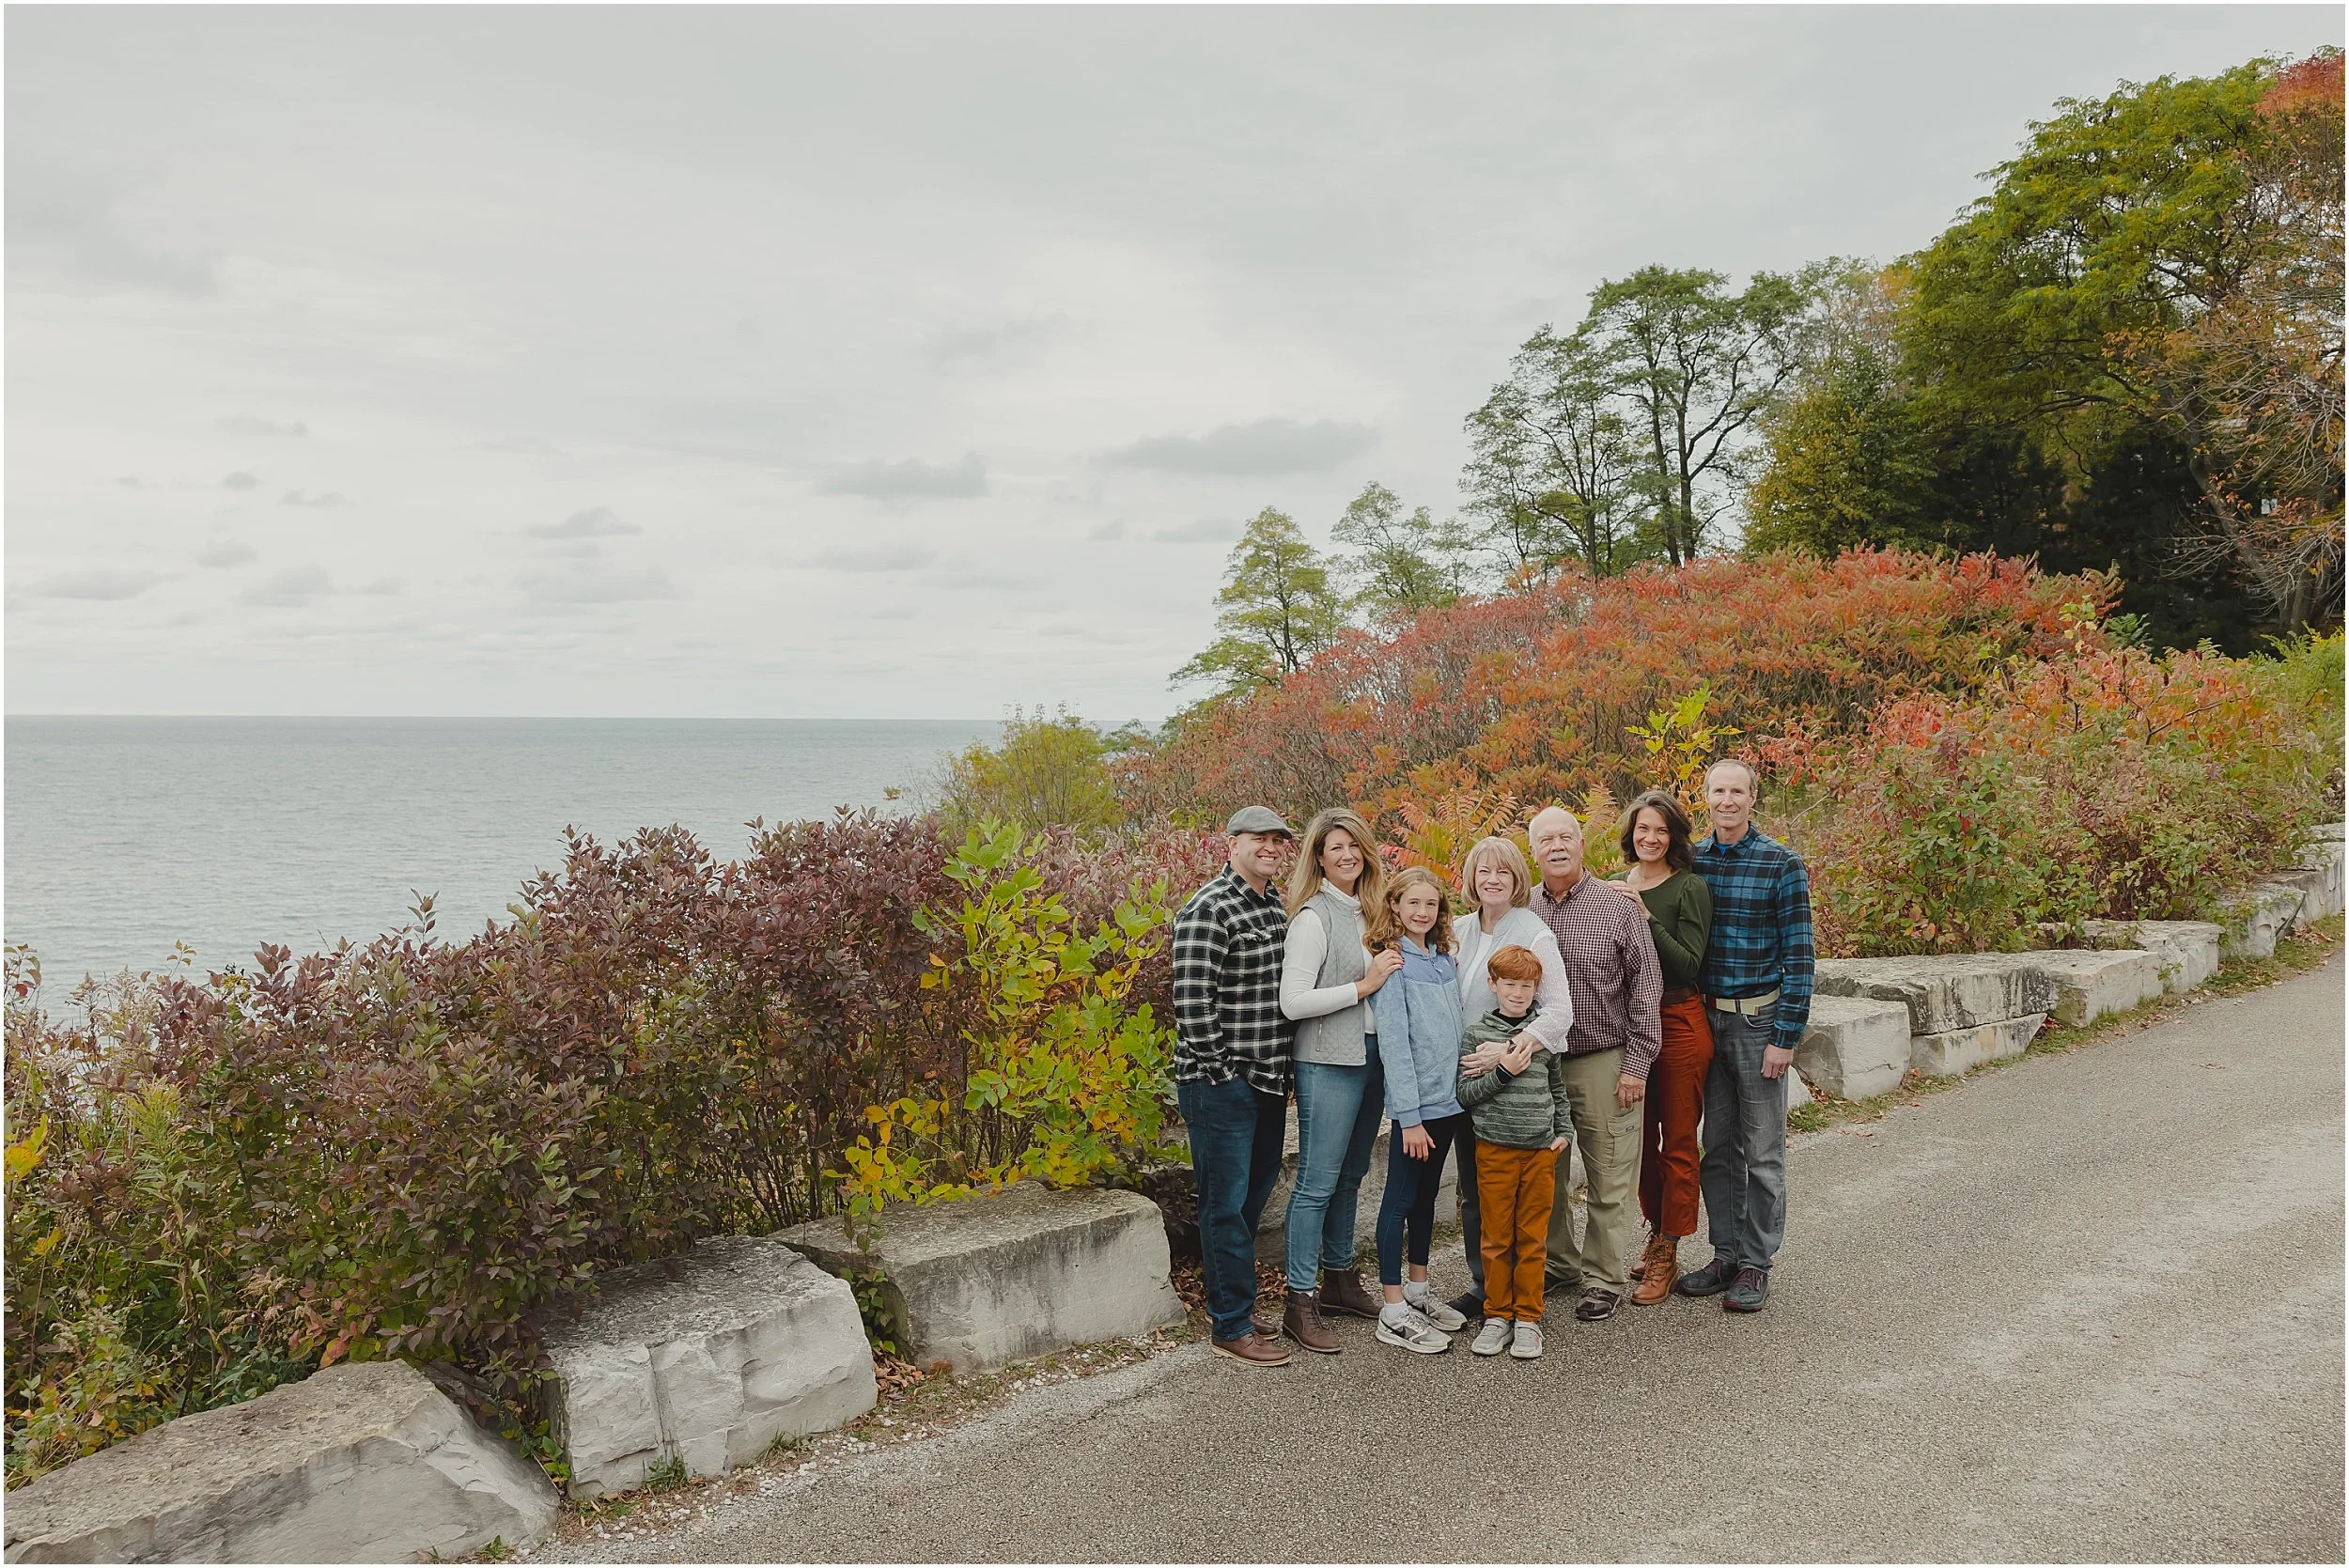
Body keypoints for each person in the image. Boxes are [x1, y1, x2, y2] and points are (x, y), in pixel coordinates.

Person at [1504, 804, 1662, 1323]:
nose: (1556, 846)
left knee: (1609, 1172)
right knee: (1544, 1175)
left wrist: (1637, 1065)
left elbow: (1647, 989)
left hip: (1603, 1059)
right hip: (1539, 1063)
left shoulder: (1617, 906)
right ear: (1532, 851)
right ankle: (1559, 1264)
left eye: (1565, 837)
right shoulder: (1520, 911)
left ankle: (1602, 1278)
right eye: (1545, 840)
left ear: (1580, 843)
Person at [1679, 759, 1814, 1314]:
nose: (1727, 800)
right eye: (1718, 791)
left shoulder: (1782, 863)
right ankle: (1726, 1253)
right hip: (1705, 1020)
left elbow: (1800, 957)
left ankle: (1757, 1262)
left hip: (1759, 1023)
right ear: (1706, 797)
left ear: (1753, 798)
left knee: (1762, 1152)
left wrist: (1786, 1035)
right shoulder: (1692, 860)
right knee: (1717, 1147)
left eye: (1737, 791)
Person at [1171, 804, 1299, 1367]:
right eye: (1258, 839)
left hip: (1268, 1079)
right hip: (1220, 1084)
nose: (1269, 848)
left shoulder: (1272, 903)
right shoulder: (1209, 908)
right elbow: (1192, 1005)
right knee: (1224, 1205)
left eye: (1277, 840)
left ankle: (1235, 1306)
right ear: (1231, 844)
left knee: (1248, 1201)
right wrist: (1223, 1074)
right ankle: (1230, 1325)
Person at [1273, 807, 1402, 1353]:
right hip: (1326, 1060)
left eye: (1354, 846)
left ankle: (1340, 1282)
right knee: (1317, 1182)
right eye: (1335, 849)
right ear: (1320, 859)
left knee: (1351, 1176)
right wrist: (1363, 986)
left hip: (1371, 1057)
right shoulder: (1313, 918)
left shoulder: (1373, 911)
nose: (1347, 856)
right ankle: (1299, 1302)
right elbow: (1293, 1002)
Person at [1447, 836, 1574, 1322]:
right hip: (1464, 1078)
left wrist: (1507, 1051)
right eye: (1483, 870)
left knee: (1517, 1202)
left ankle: (1522, 1298)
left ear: (1518, 877)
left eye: (1503, 870)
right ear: (1471, 878)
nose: (1492, 879)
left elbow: (1559, 1011)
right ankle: (1486, 1288)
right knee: (1475, 1191)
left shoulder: (1533, 931)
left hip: (1512, 1086)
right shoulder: (1458, 930)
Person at [1606, 791, 1715, 1305]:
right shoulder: (1617, 883)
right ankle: (1656, 1232)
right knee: (1640, 1144)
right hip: (1630, 1025)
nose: (1650, 838)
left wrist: (1644, 914)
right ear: (1631, 833)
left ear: (1675, 836)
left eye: (1662, 830)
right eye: (1643, 829)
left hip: (1678, 1021)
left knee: (1677, 1143)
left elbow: (1689, 964)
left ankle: (1670, 1247)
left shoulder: (1689, 886)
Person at [1365, 865, 1470, 1355]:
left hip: (1449, 1102)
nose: (1422, 912)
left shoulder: (1444, 960)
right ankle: (1391, 1311)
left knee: (1428, 1198)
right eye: (1413, 903)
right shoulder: (1393, 964)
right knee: (1400, 1200)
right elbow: (1395, 1045)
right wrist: (1407, 1117)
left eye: (1431, 904)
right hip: (1417, 1109)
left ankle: (1418, 1290)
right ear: (1394, 906)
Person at [1455, 944, 1570, 1360]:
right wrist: (1503, 1072)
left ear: (1536, 989)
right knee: (1497, 1237)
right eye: (1509, 985)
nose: (1518, 993)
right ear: (1493, 985)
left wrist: (1564, 1131)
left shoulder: (1543, 1037)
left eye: (1526, 986)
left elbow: (1557, 1089)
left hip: (1539, 1152)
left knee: (1532, 1238)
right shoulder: (1477, 1035)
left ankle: (1528, 1319)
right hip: (1495, 1152)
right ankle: (1497, 1315)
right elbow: (1466, 1094)